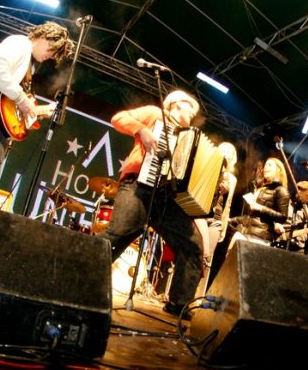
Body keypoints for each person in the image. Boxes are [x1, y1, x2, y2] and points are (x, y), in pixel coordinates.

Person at [100, 89, 205, 316]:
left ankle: (179, 304)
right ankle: (78, 274)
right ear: (177, 104)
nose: (193, 114)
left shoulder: (189, 136)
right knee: (116, 235)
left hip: (167, 198)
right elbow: (118, 118)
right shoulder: (155, 114)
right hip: (139, 186)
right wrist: (143, 130)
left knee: (192, 244)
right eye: (191, 108)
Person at [0, 21, 73, 204]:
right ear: (44, 37)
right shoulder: (19, 43)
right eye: (52, 49)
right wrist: (21, 99)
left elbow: (10, 102)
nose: (51, 56)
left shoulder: (29, 63)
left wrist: (37, 111)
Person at [195, 142, 237, 292]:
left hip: (216, 220)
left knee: (206, 259)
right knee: (194, 253)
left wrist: (223, 227)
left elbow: (228, 204)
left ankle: (195, 295)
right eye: (223, 151)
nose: (226, 154)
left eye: (229, 153)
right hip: (201, 215)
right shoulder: (207, 167)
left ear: (233, 159)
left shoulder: (232, 179)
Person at [233, 157, 290, 244]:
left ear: (278, 170)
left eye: (270, 165)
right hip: (243, 232)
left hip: (259, 237)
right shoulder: (261, 189)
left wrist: (261, 208)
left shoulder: (281, 190)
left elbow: (283, 216)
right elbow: (251, 216)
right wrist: (232, 220)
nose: (266, 167)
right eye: (265, 165)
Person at [277, 180, 308, 252]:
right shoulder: (284, 204)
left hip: (298, 248)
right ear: (299, 193)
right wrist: (275, 224)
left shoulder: (307, 211)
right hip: (280, 244)